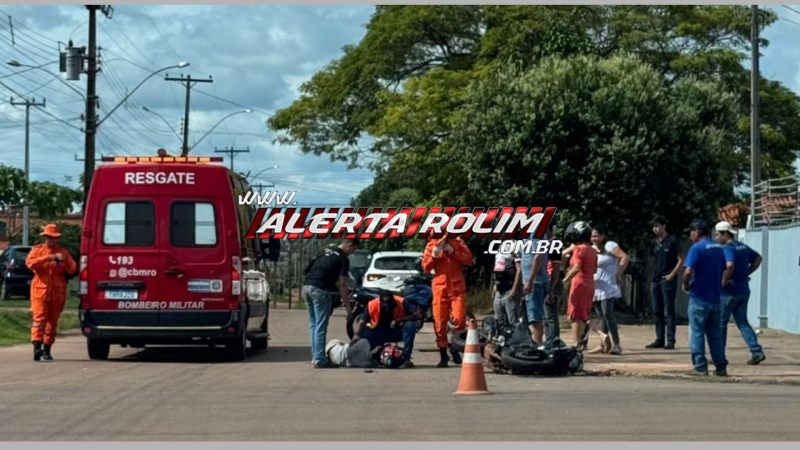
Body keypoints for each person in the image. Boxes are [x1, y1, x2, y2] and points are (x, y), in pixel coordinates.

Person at [302, 238, 359, 368]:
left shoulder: (323, 251)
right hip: (321, 290)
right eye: (354, 249)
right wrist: (349, 308)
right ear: (348, 245)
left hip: (306, 287)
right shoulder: (343, 258)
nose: (353, 252)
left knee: (313, 325)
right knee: (321, 326)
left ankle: (316, 356)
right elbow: (343, 284)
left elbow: (307, 270)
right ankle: (320, 360)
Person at [714, 221, 766, 365]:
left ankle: (719, 355)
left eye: (718, 234)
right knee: (743, 322)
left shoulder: (726, 248)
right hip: (743, 289)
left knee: (721, 323)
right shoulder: (743, 247)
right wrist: (746, 273)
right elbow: (758, 259)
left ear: (725, 234)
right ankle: (757, 351)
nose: (716, 238)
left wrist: (725, 279)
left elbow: (730, 265)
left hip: (728, 291)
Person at [25, 224, 77, 362]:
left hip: (57, 292)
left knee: (52, 323)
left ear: (57, 239)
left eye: (54, 238)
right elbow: (30, 264)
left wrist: (63, 261)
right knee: (39, 320)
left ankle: (47, 349)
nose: (51, 240)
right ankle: (37, 348)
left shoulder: (64, 252)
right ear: (45, 237)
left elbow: (72, 269)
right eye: (48, 237)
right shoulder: (37, 250)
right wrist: (49, 258)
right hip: (39, 291)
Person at [683, 219, 728, 376]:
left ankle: (700, 367)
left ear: (697, 232)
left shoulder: (697, 248)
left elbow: (688, 271)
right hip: (715, 297)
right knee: (715, 334)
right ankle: (721, 366)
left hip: (699, 296)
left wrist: (686, 283)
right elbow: (726, 268)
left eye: (691, 232)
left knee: (696, 332)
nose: (690, 235)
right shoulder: (719, 248)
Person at [422, 233, 473, 368]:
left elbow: (469, 260)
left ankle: (455, 348)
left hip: (456, 288)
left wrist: (453, 252)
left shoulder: (458, 242)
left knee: (460, 320)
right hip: (440, 288)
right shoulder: (431, 246)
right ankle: (443, 354)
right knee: (439, 323)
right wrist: (434, 256)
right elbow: (426, 267)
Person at [351, 290, 421, 369]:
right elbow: (362, 322)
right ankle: (368, 356)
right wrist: (356, 335)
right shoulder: (372, 305)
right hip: (378, 333)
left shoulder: (401, 302)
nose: (387, 307)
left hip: (397, 332)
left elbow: (418, 315)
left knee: (410, 326)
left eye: (389, 305)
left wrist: (399, 319)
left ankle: (405, 358)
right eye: (384, 305)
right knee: (365, 333)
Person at [588, 226, 628, 355]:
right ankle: (603, 343)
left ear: (602, 235)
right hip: (596, 287)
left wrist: (618, 273)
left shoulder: (610, 246)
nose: (594, 239)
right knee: (600, 317)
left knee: (608, 314)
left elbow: (624, 257)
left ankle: (616, 344)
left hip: (609, 286)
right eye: (592, 236)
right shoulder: (591, 249)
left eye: (596, 236)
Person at [647, 215, 684, 350]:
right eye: (653, 227)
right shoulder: (654, 242)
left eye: (657, 226)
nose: (655, 229)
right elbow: (653, 259)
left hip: (667, 279)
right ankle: (659, 338)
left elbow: (681, 259)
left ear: (663, 226)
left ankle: (671, 340)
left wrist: (672, 274)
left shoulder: (672, 240)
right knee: (657, 310)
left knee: (669, 310)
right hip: (655, 279)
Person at [562, 221, 597, 346]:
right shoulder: (592, 250)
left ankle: (576, 343)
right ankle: (583, 342)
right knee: (584, 314)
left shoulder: (579, 249)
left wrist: (564, 280)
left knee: (575, 314)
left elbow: (576, 268)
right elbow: (594, 269)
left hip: (579, 283)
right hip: (590, 283)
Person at [522, 231, 550, 344]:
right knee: (532, 316)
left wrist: (530, 280)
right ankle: (536, 343)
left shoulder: (535, 233)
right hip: (534, 281)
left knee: (535, 317)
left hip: (536, 282)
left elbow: (538, 256)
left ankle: (537, 346)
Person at [492, 240, 522, 329]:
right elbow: (497, 268)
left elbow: (519, 270)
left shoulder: (514, 246)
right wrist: (495, 285)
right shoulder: (500, 246)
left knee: (512, 321)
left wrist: (514, 289)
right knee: (499, 319)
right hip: (499, 288)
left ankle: (516, 340)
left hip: (509, 288)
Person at [545, 226, 564, 341]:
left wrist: (551, 289)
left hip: (553, 282)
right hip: (545, 281)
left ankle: (553, 341)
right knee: (545, 317)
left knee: (551, 316)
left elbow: (556, 268)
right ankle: (549, 340)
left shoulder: (555, 244)